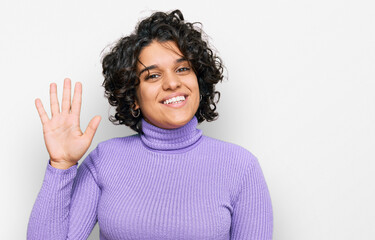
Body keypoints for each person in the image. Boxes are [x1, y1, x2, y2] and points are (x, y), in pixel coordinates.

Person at [27, 9, 273, 240]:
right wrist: (61, 165)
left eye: (183, 68)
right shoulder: (104, 160)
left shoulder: (241, 167)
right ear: (133, 98)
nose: (172, 83)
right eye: (153, 75)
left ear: (199, 82)